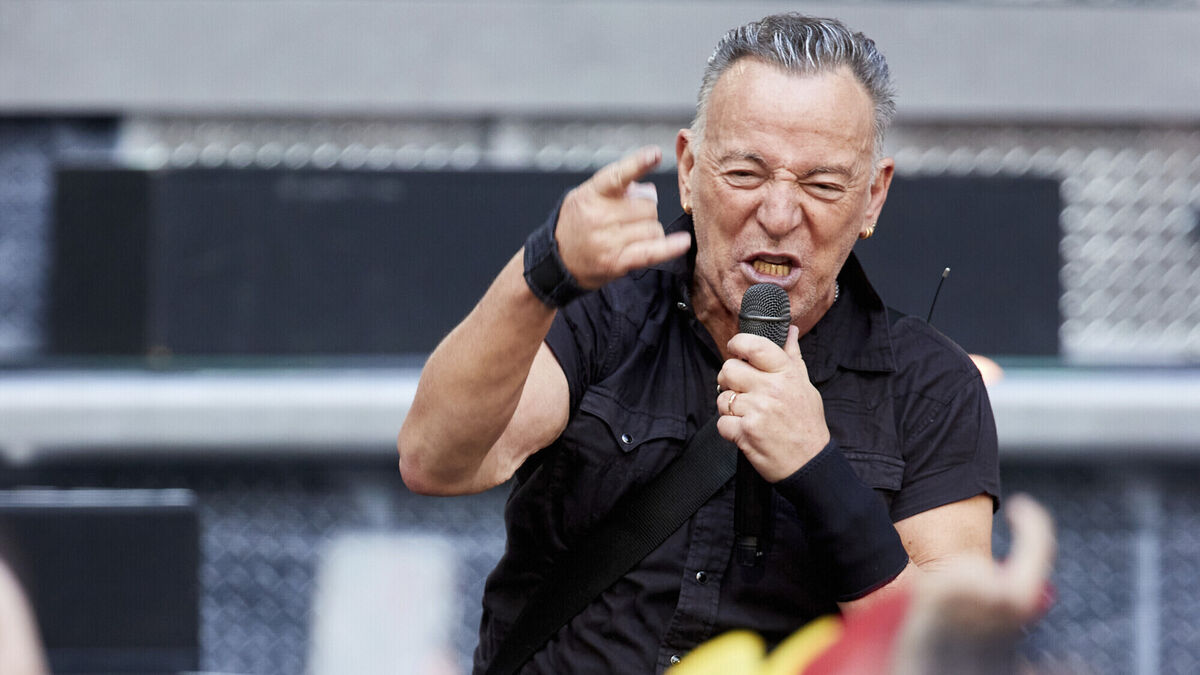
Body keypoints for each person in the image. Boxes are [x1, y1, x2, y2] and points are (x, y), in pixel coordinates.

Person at [399, 12, 1000, 674]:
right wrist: (543, 273)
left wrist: (818, 468)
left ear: (873, 198)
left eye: (823, 185)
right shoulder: (603, 312)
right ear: (687, 170)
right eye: (745, 174)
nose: (779, 214)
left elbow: (951, 655)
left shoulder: (931, 387)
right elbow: (435, 461)